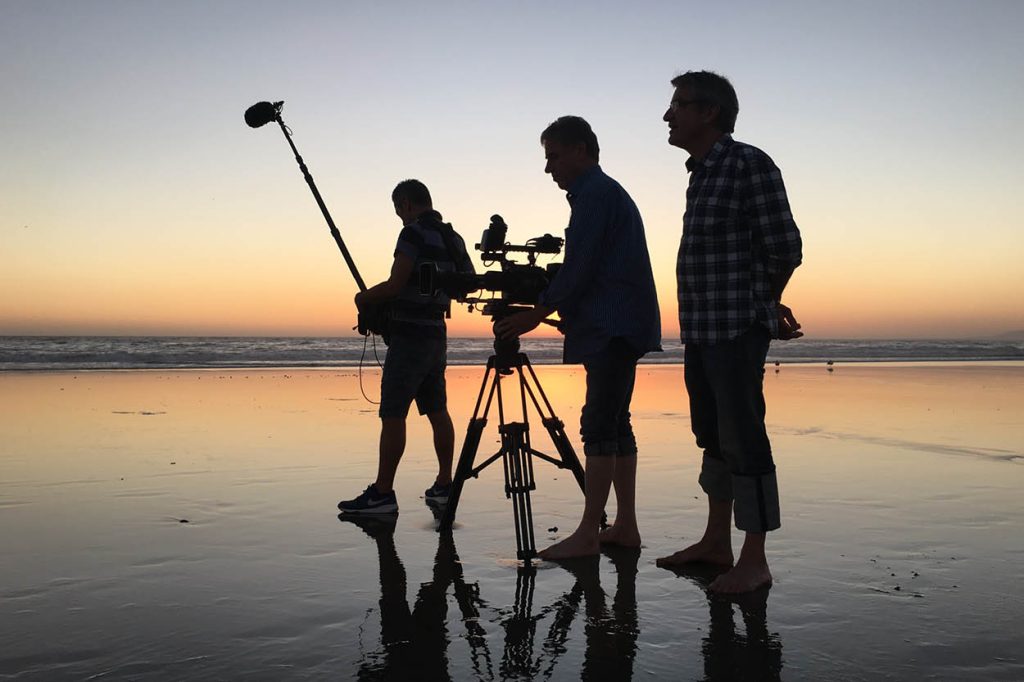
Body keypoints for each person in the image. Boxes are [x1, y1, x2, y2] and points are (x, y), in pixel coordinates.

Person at [655, 71, 803, 593]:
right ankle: (716, 542)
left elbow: (785, 246)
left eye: (678, 105)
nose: (668, 115)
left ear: (709, 112)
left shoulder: (748, 164)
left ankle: (755, 559)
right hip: (701, 329)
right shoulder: (700, 174)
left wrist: (763, 302)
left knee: (744, 438)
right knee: (712, 437)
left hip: (736, 328)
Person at [495, 116, 661, 560]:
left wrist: (538, 312)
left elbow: (581, 267)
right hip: (620, 322)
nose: (549, 169)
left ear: (581, 150)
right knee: (616, 424)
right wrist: (569, 311)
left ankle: (590, 532)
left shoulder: (595, 195)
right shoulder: (603, 194)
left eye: (553, 156)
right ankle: (624, 526)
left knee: (599, 426)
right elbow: (598, 269)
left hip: (613, 325)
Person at [339, 179, 474, 514]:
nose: (399, 217)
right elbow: (466, 287)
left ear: (408, 204)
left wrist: (363, 297)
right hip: (436, 337)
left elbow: (396, 284)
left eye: (399, 210)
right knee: (437, 410)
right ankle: (445, 484)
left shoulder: (412, 233)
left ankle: (383, 493)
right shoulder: (452, 237)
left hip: (410, 337)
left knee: (394, 413)